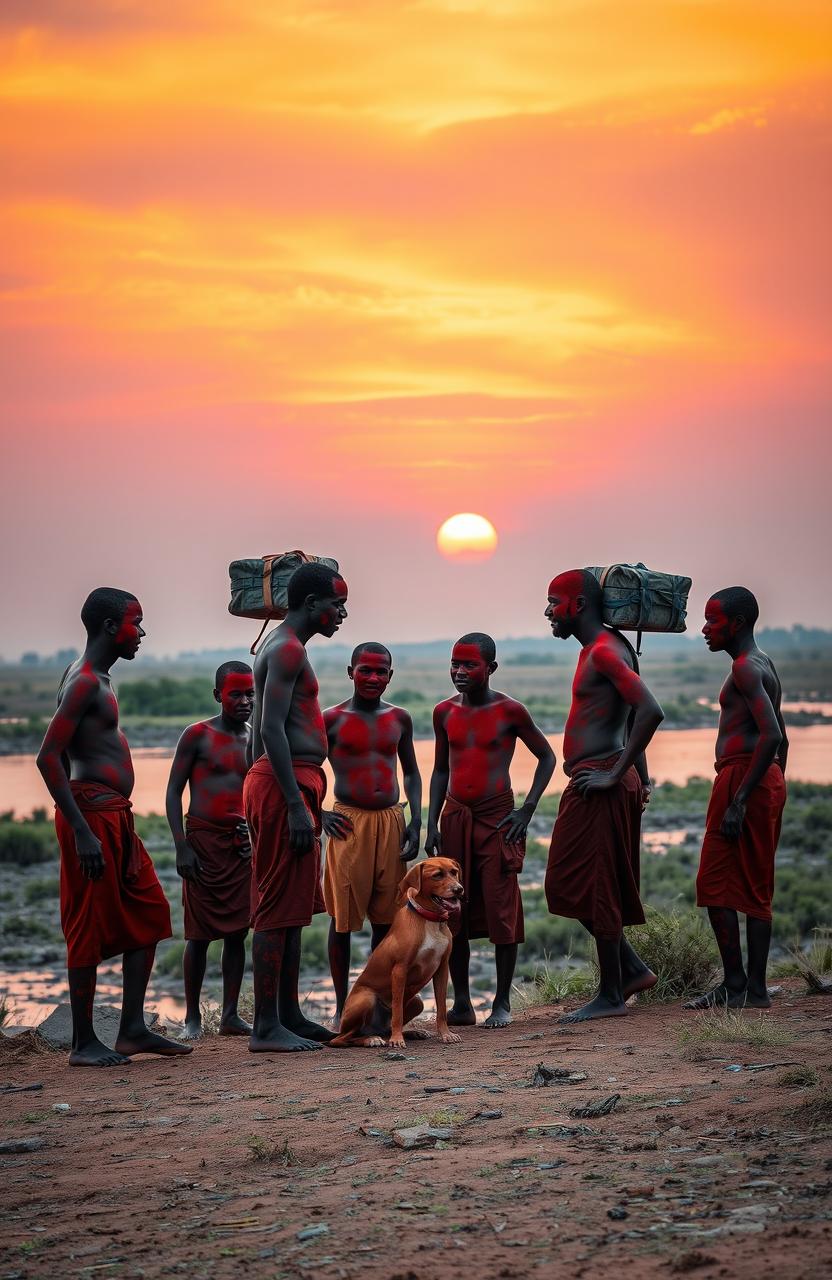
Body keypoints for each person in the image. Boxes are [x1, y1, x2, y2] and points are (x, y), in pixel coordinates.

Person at [36, 588, 190, 1066]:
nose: (141, 633)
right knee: (86, 923)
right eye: (135, 623)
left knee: (149, 913)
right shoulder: (83, 681)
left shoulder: (98, 678)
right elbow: (48, 758)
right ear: (108, 627)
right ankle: (83, 1043)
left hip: (114, 814)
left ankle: (132, 1030)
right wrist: (81, 830)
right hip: (92, 816)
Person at [544, 570, 664, 1023]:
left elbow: (650, 710)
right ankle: (630, 970)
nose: (548, 611)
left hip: (600, 780)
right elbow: (632, 714)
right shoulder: (604, 648)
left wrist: (617, 773)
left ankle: (612, 994)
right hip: (598, 778)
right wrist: (641, 775)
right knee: (572, 882)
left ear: (577, 605)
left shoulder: (604, 652)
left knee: (593, 884)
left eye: (554, 601)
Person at [426, 632, 556, 1028]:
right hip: (455, 816)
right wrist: (433, 821)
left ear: (491, 668)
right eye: (455, 664)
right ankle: (462, 1003)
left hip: (498, 818)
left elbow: (547, 757)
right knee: (452, 909)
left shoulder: (510, 710)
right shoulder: (443, 711)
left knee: (503, 908)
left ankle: (502, 1003)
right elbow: (441, 769)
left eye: (469, 665)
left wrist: (527, 811)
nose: (460, 672)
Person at [244, 561, 348, 1051]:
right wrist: (289, 803)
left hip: (289, 784)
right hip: (284, 786)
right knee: (274, 905)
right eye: (336, 605)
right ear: (311, 605)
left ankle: (287, 1015)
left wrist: (302, 800)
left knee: (292, 907)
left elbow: (259, 733)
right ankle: (266, 1028)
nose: (341, 614)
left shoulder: (286, 646)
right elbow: (268, 732)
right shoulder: (286, 649)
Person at [686, 588, 787, 1009]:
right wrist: (776, 783)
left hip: (744, 780)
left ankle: (739, 985)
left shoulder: (746, 668)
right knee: (755, 883)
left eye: (713, 621)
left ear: (738, 623)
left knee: (714, 884)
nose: (705, 629)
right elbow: (782, 735)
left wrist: (742, 798)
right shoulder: (763, 662)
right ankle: (751, 988)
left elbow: (772, 734)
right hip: (762, 779)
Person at [322, 642, 422, 1028]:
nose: (374, 678)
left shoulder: (399, 718)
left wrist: (415, 819)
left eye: (381, 672)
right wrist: (319, 812)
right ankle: (340, 1007)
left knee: (387, 919)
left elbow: (411, 771)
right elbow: (307, 768)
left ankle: (379, 1005)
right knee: (343, 920)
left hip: (392, 820)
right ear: (350, 672)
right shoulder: (331, 719)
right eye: (366, 670)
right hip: (349, 823)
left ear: (391, 676)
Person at [165, 661, 255, 1039]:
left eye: (251, 693)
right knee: (197, 935)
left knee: (238, 933)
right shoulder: (197, 735)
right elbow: (172, 792)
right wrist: (181, 846)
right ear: (218, 695)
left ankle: (230, 1016)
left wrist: (254, 830)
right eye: (236, 693)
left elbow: (260, 791)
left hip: (241, 847)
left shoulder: (256, 737)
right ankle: (192, 1019)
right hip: (201, 844)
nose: (245, 700)